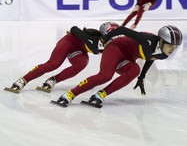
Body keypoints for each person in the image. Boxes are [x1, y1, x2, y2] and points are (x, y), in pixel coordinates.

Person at [55, 25, 183, 107]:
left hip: (127, 57)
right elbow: (121, 30)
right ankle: (70, 94)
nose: (172, 49)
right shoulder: (147, 40)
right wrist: (105, 38)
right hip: (116, 48)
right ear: (161, 41)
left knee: (135, 70)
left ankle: (100, 95)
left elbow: (151, 58)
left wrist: (142, 77)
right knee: (105, 76)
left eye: (175, 47)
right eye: (170, 45)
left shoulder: (165, 53)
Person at [5, 22, 119, 93]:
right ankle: (22, 81)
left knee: (82, 63)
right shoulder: (93, 39)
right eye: (113, 38)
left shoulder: (109, 46)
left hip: (78, 50)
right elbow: (74, 28)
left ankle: (53, 80)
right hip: (68, 42)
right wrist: (80, 36)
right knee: (54, 64)